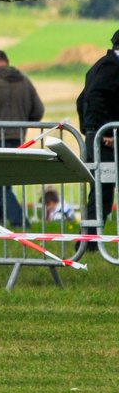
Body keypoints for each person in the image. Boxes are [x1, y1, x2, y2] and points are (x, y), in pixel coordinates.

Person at [0, 50, 43, 228]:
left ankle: (20, 223)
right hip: (18, 138)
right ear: (7, 62)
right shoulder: (25, 81)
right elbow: (38, 111)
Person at [77, 30, 119, 244]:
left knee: (100, 190)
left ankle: (89, 239)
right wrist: (107, 128)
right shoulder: (113, 66)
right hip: (104, 138)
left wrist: (89, 128)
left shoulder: (101, 64)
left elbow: (81, 98)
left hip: (96, 135)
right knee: (102, 190)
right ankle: (89, 240)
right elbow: (94, 94)